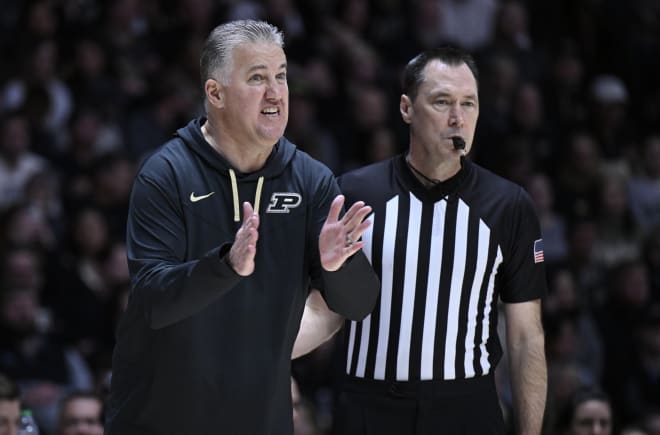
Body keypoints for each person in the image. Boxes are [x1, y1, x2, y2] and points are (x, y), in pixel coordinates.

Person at [104, 19, 379, 435]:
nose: (275, 93)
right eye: (257, 78)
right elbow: (154, 302)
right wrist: (226, 266)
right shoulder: (166, 174)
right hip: (161, 420)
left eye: (281, 76)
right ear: (215, 93)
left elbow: (358, 305)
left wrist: (337, 265)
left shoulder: (311, 180)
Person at [293, 46, 547, 434]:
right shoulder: (355, 192)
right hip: (369, 407)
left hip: (466, 409)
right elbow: (328, 309)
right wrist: (265, 353)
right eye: (442, 102)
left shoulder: (509, 206)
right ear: (406, 109)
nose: (457, 118)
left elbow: (526, 337)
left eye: (469, 104)